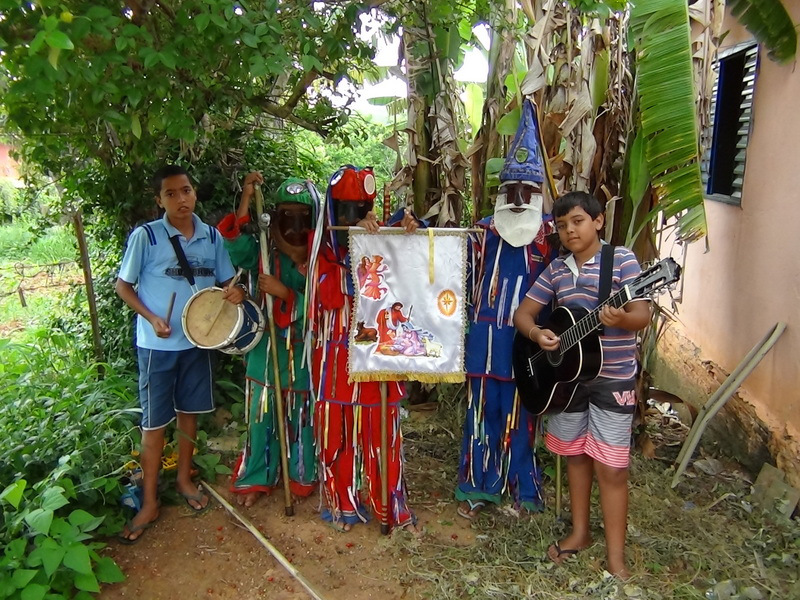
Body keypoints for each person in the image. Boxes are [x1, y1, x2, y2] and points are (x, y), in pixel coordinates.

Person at [512, 191, 651, 579]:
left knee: (612, 468)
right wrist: (538, 334)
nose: (570, 230)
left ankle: (616, 557)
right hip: (568, 383)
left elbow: (642, 313)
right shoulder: (557, 270)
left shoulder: (620, 260)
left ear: (598, 221)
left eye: (578, 221)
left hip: (612, 379)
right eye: (562, 225)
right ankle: (579, 533)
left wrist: (620, 320)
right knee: (575, 457)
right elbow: (523, 313)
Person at [115, 164, 246, 543]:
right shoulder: (147, 237)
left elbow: (225, 284)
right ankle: (150, 502)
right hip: (157, 347)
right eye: (170, 194)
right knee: (154, 424)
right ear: (159, 200)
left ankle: (186, 480)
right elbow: (124, 287)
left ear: (195, 193)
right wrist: (153, 317)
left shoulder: (211, 237)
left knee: (190, 415)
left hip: (198, 343)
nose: (180, 198)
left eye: (185, 190)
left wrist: (235, 293)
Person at [456, 97, 557, 520]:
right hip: (484, 343)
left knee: (521, 418)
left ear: (538, 194)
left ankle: (523, 486)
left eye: (526, 192)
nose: (517, 201)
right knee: (483, 412)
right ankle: (480, 484)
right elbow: (440, 257)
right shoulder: (482, 234)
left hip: (526, 345)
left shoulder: (551, 237)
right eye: (509, 191)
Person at [308, 165, 420, 533]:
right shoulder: (320, 251)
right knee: (336, 433)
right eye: (345, 210)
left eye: (361, 209)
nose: (353, 218)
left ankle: (387, 501)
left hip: (375, 360)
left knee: (380, 432)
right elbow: (329, 294)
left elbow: (404, 274)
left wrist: (404, 231)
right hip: (334, 362)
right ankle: (342, 501)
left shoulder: (382, 239)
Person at [217, 172, 318, 507]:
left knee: (300, 415)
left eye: (303, 219)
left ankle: (301, 475)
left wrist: (286, 293)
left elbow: (322, 302)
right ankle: (258, 477)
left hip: (304, 351)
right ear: (274, 219)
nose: (295, 227)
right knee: (262, 415)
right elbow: (236, 243)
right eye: (287, 217)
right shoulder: (263, 253)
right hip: (266, 348)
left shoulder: (320, 261)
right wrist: (246, 196)